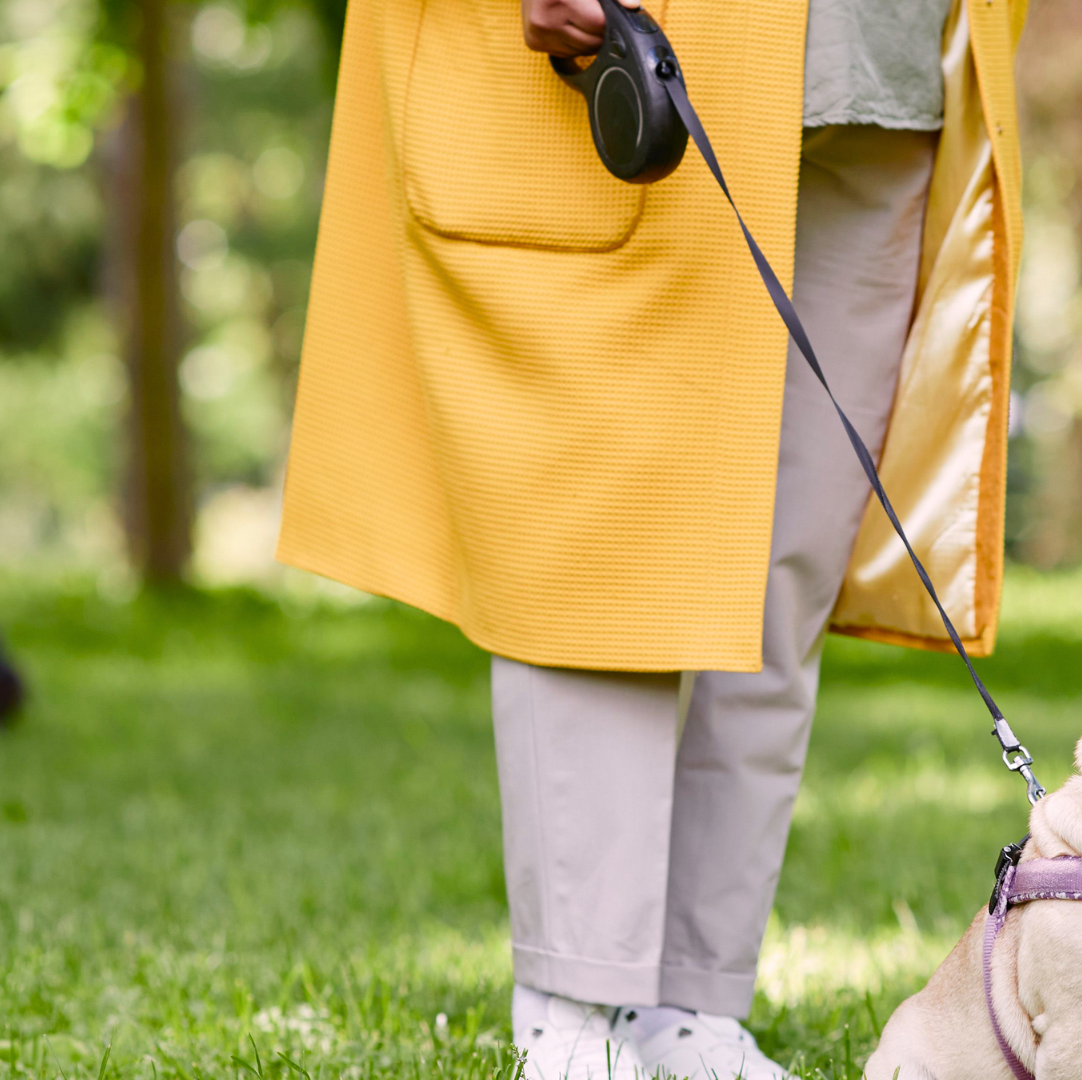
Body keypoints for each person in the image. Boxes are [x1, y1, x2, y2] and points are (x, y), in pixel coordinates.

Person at [276, 0, 1026, 1074]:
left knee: (784, 571)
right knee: (599, 556)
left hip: (883, 80)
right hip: (646, 54)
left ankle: (694, 1008)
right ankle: (575, 1009)